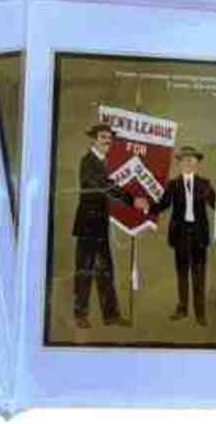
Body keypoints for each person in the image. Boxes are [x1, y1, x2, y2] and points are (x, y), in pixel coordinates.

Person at [134, 146, 216, 326]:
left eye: (191, 160)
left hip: (199, 236)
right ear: (179, 164)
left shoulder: (205, 184)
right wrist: (147, 207)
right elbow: (162, 205)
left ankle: (200, 314)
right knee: (182, 274)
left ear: (197, 163)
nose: (188, 163)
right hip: (180, 236)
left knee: (199, 276)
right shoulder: (173, 184)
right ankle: (182, 309)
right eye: (184, 160)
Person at [71, 124, 133, 329]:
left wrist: (130, 199)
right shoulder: (88, 161)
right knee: (85, 270)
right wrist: (130, 199)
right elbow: (102, 185)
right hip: (87, 225)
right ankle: (80, 315)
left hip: (100, 225)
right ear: (94, 139)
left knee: (105, 270)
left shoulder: (102, 161)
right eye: (103, 137)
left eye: (109, 137)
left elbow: (106, 184)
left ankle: (111, 315)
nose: (107, 140)